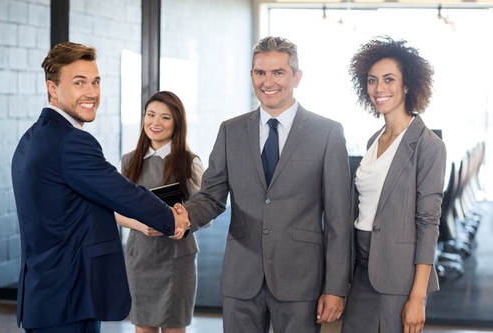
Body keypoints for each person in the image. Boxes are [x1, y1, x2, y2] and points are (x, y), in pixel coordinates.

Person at [11, 42, 189, 333]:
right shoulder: (72, 142)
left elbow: (78, 208)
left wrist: (142, 224)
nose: (92, 92)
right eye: (79, 82)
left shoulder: (31, 138)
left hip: (47, 296)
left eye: (95, 82)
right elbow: (122, 192)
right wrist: (171, 219)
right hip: (69, 298)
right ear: (52, 89)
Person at [177, 36, 352, 333]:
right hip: (241, 276)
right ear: (251, 76)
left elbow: (339, 219)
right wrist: (185, 216)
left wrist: (335, 287)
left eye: (278, 72)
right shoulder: (230, 131)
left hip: (301, 279)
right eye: (260, 72)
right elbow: (211, 196)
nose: (267, 81)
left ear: (296, 77)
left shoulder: (327, 133)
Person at [341, 36, 447, 333]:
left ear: (407, 85)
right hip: (361, 269)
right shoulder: (375, 139)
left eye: (389, 79)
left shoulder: (428, 146)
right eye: (372, 80)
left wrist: (418, 297)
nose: (379, 88)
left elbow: (428, 223)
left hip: (398, 275)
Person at [116, 91, 203, 333]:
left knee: (174, 327)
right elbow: (113, 211)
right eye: (151, 115)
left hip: (177, 259)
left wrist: (183, 219)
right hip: (140, 257)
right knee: (143, 326)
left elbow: (205, 214)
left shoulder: (189, 161)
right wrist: (140, 225)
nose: (155, 123)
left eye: (165, 117)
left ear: (177, 123)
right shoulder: (129, 161)